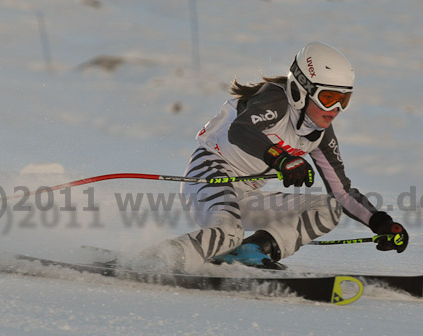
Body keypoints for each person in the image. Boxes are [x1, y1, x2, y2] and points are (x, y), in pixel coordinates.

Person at [144, 41, 408, 271]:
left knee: (329, 208)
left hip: (245, 193)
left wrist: (380, 222)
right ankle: (156, 260)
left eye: (344, 100)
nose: (336, 109)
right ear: (301, 90)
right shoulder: (275, 101)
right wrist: (281, 158)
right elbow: (241, 130)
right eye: (328, 98)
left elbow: (342, 192)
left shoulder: (320, 134)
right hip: (210, 174)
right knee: (228, 234)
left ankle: (251, 252)